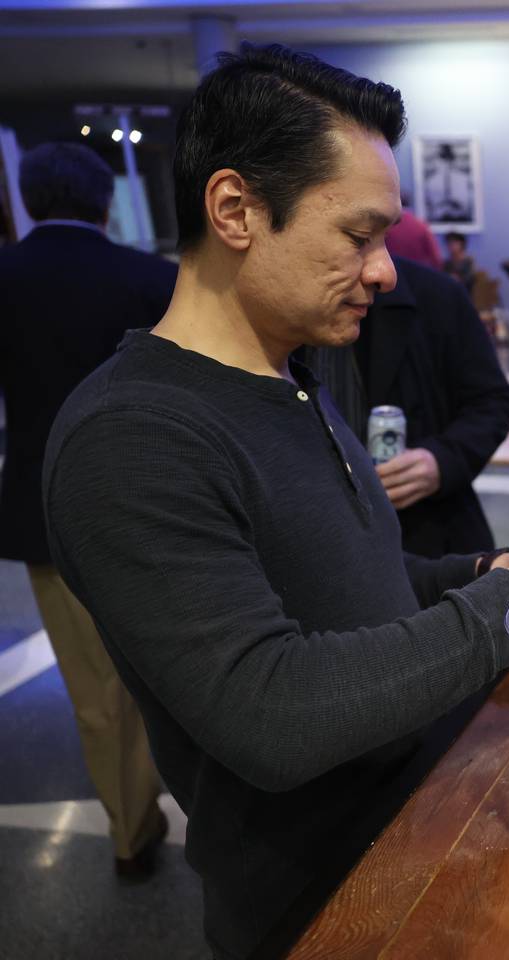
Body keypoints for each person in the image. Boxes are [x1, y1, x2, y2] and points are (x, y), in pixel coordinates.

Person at [42, 44, 509, 960]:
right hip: (326, 904)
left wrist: (494, 567)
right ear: (234, 209)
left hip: (424, 826)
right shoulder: (133, 439)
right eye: (359, 235)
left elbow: (359, 579)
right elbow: (273, 713)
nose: (386, 271)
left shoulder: (292, 379)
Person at [0, 141, 176, 878]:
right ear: (107, 205)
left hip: (42, 503)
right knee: (175, 668)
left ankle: (128, 835)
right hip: (152, 500)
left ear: (29, 200)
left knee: (93, 689)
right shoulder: (151, 278)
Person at [302, 255, 509, 557]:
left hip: (425, 534)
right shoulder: (272, 310)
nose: (382, 272)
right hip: (315, 540)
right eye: (356, 235)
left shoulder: (436, 295)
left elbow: (493, 400)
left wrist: (440, 460)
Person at [383, 194, 443, 271]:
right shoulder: (421, 226)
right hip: (419, 276)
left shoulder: (387, 228)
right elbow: (436, 258)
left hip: (394, 274)